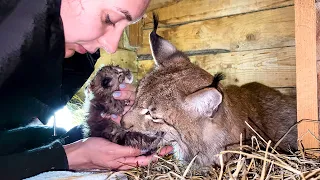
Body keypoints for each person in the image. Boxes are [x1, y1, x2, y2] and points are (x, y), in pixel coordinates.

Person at [0, 0, 173, 179]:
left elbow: (13, 137)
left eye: (126, 27)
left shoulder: (68, 59)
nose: (112, 47)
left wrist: (104, 129)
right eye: (109, 18)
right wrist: (69, 156)